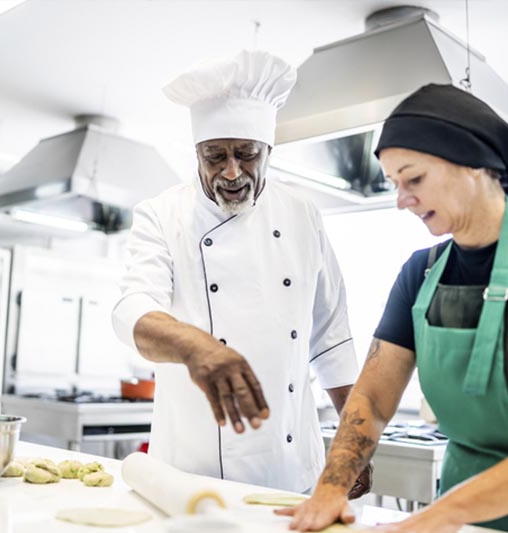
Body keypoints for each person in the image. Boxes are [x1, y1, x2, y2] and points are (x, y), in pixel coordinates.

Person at [276, 83, 508, 532]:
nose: (401, 200)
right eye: (395, 184)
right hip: (465, 521)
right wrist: (331, 489)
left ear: (474, 164)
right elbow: (374, 399)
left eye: (413, 179)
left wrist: (446, 513)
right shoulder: (420, 274)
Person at [112, 49, 370, 494]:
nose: (231, 172)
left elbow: (331, 338)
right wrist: (198, 347)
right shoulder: (163, 214)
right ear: (196, 153)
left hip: (293, 466)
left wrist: (355, 443)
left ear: (268, 149)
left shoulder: (302, 214)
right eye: (214, 156)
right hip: (195, 473)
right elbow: (133, 310)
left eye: (246, 154)